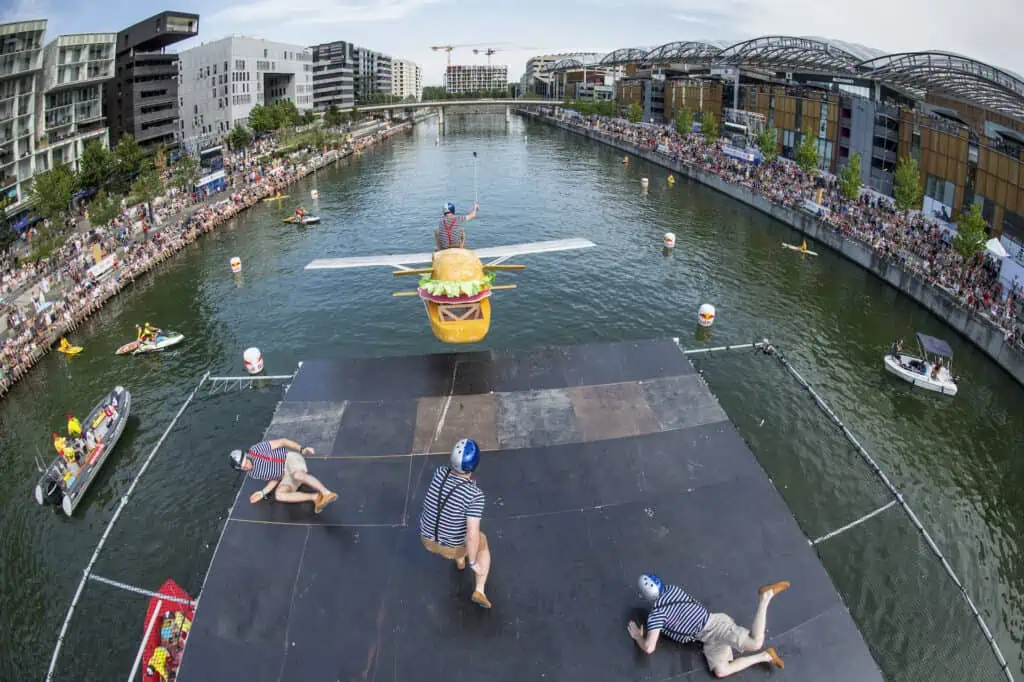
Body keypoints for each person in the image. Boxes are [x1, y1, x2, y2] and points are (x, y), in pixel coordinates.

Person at [627, 574, 787, 677]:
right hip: (706, 638)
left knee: (755, 642)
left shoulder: (656, 615)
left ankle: (765, 597)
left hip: (715, 626)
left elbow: (649, 647)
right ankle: (766, 656)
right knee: (721, 671)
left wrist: (638, 637)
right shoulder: (671, 590)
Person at [418, 438, 492, 609]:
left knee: (451, 522)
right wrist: (473, 562)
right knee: (481, 540)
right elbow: (471, 534)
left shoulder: (439, 472)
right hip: (451, 546)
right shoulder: (475, 495)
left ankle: (460, 561)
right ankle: (480, 589)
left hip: (426, 539)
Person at [229, 437, 337, 513]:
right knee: (279, 495)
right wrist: (262, 493)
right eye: (243, 468)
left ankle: (326, 493)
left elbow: (283, 441)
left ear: (247, 456)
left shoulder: (256, 450)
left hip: (289, 459)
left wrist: (301, 449)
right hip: (285, 474)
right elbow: (275, 478)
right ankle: (316, 498)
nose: (247, 466)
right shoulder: (253, 473)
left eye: (246, 462)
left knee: (297, 475)